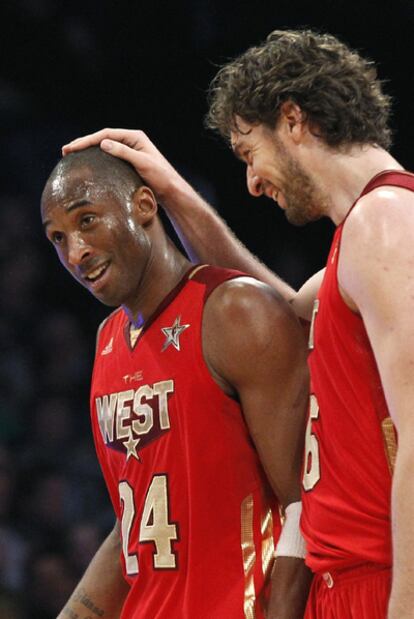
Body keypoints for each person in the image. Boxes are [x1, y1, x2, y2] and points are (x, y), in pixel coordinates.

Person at [62, 29, 414, 619]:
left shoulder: (385, 224)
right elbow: (282, 309)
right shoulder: (358, 242)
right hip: (343, 583)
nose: (251, 182)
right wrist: (174, 194)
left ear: (293, 119)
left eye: (250, 153)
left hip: (382, 582)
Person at [40, 146, 312, 619]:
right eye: (57, 238)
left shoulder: (236, 312)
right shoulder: (108, 341)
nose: (75, 252)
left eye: (87, 220)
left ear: (144, 206)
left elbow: (305, 502)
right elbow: (136, 523)